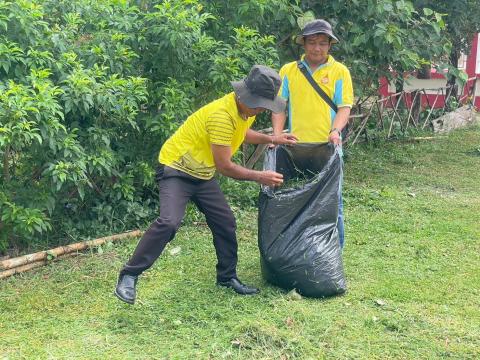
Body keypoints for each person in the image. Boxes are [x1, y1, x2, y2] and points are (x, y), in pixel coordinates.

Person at [115, 65, 298, 304]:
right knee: (169, 222)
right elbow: (225, 166)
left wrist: (272, 138)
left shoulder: (243, 110)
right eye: (260, 105)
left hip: (201, 172)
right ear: (245, 97)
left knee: (225, 222)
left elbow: (242, 133)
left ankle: (227, 277)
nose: (262, 110)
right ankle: (129, 275)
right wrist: (259, 176)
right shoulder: (222, 115)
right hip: (177, 169)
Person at [272, 19, 354, 248]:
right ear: (303, 44)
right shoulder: (289, 71)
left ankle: (332, 252)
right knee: (292, 199)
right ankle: (293, 247)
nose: (316, 48)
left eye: (322, 43)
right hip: (294, 148)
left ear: (330, 45)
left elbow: (344, 108)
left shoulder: (340, 72)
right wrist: (277, 136)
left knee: (331, 201)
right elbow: (280, 106)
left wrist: (335, 131)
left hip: (327, 147)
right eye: (311, 42)